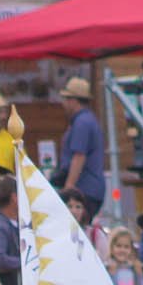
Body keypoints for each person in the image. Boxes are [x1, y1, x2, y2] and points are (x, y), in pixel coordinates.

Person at [54, 77, 107, 208]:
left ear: (74, 101)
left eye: (66, 99)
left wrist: (69, 188)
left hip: (83, 191)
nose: (64, 103)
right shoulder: (89, 119)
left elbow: (79, 156)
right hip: (91, 189)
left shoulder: (81, 123)